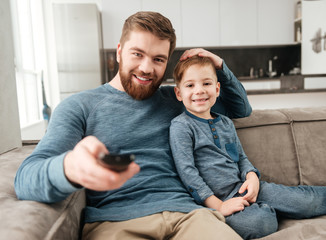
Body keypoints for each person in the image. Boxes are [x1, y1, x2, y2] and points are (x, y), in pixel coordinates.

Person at [14, 11, 252, 239]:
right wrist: (70, 168)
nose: (147, 68)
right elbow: (26, 179)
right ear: (119, 51)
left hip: (189, 216)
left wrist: (219, 65)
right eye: (137, 54)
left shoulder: (179, 99)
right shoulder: (79, 106)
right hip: (116, 221)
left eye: (158, 59)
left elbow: (240, 109)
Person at [169, 55, 326, 240]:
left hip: (248, 189)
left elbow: (241, 158)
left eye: (207, 83)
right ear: (179, 93)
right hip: (219, 201)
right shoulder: (181, 126)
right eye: (190, 85)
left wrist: (252, 176)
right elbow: (188, 173)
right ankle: (273, 209)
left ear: (217, 89)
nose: (199, 90)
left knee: (305, 200)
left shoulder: (225, 123)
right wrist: (219, 206)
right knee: (261, 224)